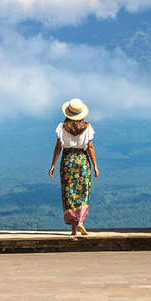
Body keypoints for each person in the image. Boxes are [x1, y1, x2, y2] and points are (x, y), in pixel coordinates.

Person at [48, 98, 99, 236]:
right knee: (83, 192)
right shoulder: (87, 127)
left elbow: (58, 147)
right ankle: (81, 221)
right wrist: (95, 166)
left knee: (69, 193)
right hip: (82, 161)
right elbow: (90, 147)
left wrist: (53, 164)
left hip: (67, 162)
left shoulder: (61, 127)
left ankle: (74, 230)